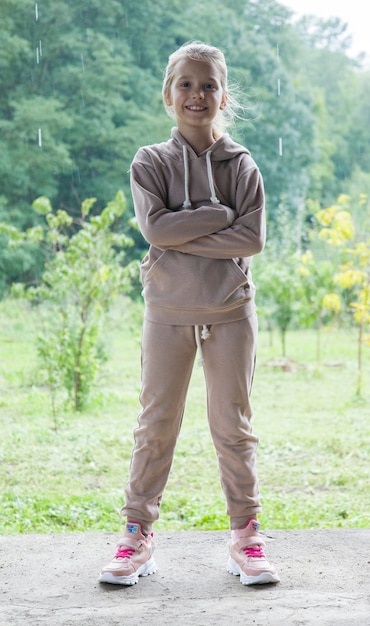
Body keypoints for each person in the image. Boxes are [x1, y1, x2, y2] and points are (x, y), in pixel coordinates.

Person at [99, 41, 279, 587]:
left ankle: (246, 536)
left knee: (234, 427)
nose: (196, 95)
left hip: (230, 311)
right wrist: (216, 218)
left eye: (207, 85)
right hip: (168, 311)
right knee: (156, 425)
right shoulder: (149, 162)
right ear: (168, 93)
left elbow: (252, 238)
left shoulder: (242, 164)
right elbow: (155, 231)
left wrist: (188, 227)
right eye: (185, 83)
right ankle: (136, 536)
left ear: (223, 95)